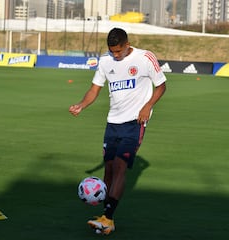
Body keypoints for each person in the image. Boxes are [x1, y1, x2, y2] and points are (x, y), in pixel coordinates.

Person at [69, 27, 166, 235]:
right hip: (113, 122)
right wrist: (81, 105)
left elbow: (161, 86)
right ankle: (105, 216)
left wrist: (148, 106)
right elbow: (95, 89)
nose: (115, 55)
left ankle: (108, 218)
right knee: (109, 169)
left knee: (121, 167)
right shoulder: (105, 61)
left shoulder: (145, 58)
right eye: (112, 51)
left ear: (127, 44)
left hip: (135, 122)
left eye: (119, 51)